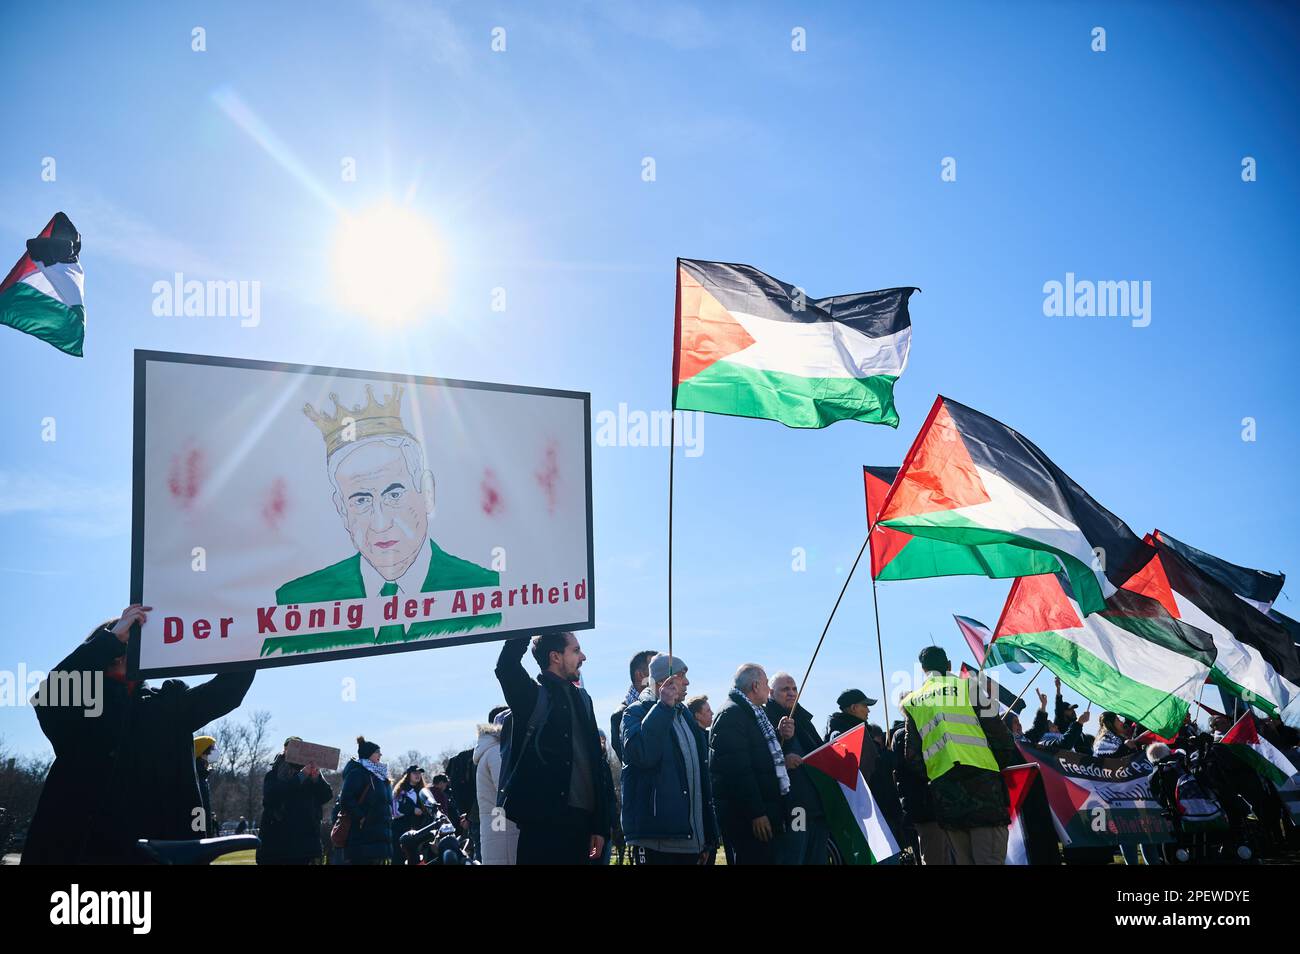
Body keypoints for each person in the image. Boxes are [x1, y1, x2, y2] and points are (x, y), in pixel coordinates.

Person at [265, 384, 500, 656]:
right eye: (361, 500)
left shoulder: (487, 591)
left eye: (394, 494)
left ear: (427, 493)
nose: (380, 523)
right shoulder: (297, 602)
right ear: (341, 509)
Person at [23, 605, 255, 865]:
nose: (123, 652)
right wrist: (111, 639)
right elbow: (48, 695)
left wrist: (250, 638)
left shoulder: (169, 702)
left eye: (132, 645)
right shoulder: (82, 705)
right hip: (79, 851)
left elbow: (226, 693)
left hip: (155, 853)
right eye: (120, 645)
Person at [494, 633, 614, 864]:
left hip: (583, 828)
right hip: (542, 829)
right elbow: (506, 666)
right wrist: (530, 623)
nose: (584, 657)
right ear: (555, 657)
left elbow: (596, 766)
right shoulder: (531, 696)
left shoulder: (584, 699)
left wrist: (600, 826)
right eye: (576, 650)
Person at [901, 646, 1016, 865]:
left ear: (923, 670)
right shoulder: (969, 688)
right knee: (990, 859)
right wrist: (992, 766)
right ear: (949, 665)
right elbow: (1001, 736)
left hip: (946, 794)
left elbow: (913, 758)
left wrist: (939, 772)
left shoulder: (913, 702)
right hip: (984, 788)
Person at [620, 653, 717, 865]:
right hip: (656, 839)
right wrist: (663, 707)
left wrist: (707, 837)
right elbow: (642, 755)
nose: (687, 682)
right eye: (682, 675)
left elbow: (700, 778)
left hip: (692, 842)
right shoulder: (634, 713)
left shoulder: (686, 717)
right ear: (666, 680)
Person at [709, 663, 790, 865]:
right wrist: (757, 813)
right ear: (755, 686)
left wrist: (780, 736)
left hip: (762, 813)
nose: (768, 689)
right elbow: (738, 771)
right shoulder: (732, 715)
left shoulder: (751, 714)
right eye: (765, 683)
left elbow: (759, 757)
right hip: (747, 821)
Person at [764, 672, 827, 865]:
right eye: (785, 689)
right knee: (793, 858)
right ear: (770, 692)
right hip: (793, 810)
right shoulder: (764, 720)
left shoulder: (805, 721)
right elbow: (756, 760)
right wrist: (782, 754)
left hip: (817, 810)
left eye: (794, 689)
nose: (791, 693)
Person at [256, 737, 334, 864]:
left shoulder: (312, 772)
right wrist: (300, 777)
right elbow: (271, 796)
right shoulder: (274, 774)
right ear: (284, 750)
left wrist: (316, 779)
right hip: (278, 843)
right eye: (290, 748)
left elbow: (327, 795)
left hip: (306, 842)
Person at [337, 737, 393, 864]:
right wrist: (361, 818)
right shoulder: (357, 773)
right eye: (377, 752)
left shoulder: (381, 775)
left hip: (379, 835)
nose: (380, 754)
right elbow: (346, 799)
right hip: (362, 835)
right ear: (368, 754)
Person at [473, 706, 518, 865]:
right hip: (503, 831)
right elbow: (508, 790)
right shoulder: (497, 753)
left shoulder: (492, 750)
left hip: (498, 829)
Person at [611, 650, 656, 763]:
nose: (662, 675)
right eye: (655, 670)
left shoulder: (667, 707)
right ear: (640, 675)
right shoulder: (620, 715)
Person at [391, 765, 427, 861]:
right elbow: (394, 812)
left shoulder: (424, 791)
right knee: (398, 858)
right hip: (399, 829)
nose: (418, 775)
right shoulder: (400, 791)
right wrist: (412, 810)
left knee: (415, 859)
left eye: (419, 773)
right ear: (408, 775)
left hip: (417, 830)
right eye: (415, 773)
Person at [193, 735, 219, 838]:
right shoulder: (197, 777)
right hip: (199, 832)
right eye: (212, 748)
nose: (215, 751)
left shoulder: (201, 775)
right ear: (202, 751)